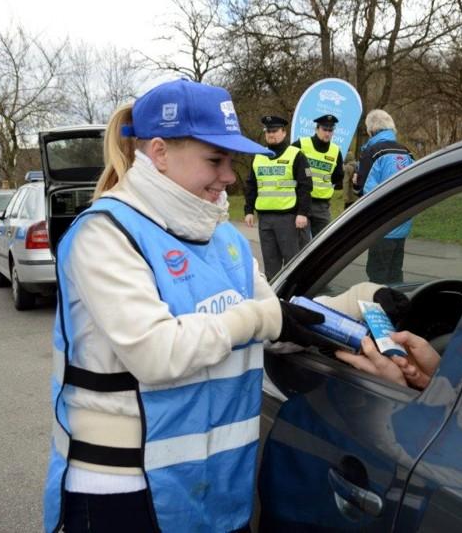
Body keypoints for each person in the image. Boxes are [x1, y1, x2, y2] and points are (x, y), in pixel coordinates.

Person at [42, 79, 329, 533]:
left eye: (230, 161)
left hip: (216, 494)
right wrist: (259, 318)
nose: (230, 176)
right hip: (122, 495)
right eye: (215, 159)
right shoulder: (104, 235)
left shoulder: (226, 239)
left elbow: (274, 319)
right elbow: (157, 352)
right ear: (158, 152)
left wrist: (348, 309)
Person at [244, 115, 313, 279]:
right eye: (268, 131)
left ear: (284, 132)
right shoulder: (258, 156)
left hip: (288, 217)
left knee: (292, 262)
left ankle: (293, 296)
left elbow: (305, 186)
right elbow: (251, 185)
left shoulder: (296, 155)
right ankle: (275, 297)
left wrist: (302, 213)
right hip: (265, 218)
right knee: (270, 263)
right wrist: (248, 210)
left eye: (274, 131)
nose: (271, 134)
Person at [356, 109, 414, 284]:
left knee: (377, 273)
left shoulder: (372, 151)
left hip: (382, 223)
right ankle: (397, 308)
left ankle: (380, 309)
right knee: (395, 272)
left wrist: (354, 182)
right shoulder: (406, 152)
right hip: (403, 221)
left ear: (371, 130)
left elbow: (362, 188)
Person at [292, 114, 344, 242]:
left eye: (330, 130)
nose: (327, 133)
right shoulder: (301, 144)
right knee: (301, 245)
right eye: (324, 129)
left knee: (323, 244)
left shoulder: (336, 151)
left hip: (322, 206)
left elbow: (338, 177)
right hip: (302, 202)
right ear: (317, 129)